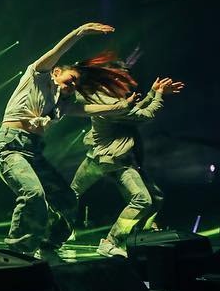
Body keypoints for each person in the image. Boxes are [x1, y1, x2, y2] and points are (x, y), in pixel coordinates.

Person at [0, 23, 139, 258]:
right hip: (11, 148)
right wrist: (80, 32)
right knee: (33, 194)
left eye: (75, 85)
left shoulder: (62, 105)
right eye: (70, 79)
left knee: (67, 199)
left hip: (33, 153)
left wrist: (123, 105)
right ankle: (18, 252)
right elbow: (56, 52)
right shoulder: (36, 77)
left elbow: (91, 109)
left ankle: (49, 246)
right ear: (56, 72)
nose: (72, 86)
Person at [68, 56, 183, 257]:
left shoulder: (110, 97)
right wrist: (158, 95)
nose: (127, 83)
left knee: (153, 197)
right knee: (142, 199)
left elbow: (131, 112)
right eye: (122, 79)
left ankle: (139, 235)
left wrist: (152, 93)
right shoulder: (107, 101)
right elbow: (143, 116)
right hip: (111, 161)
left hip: (107, 159)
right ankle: (110, 241)